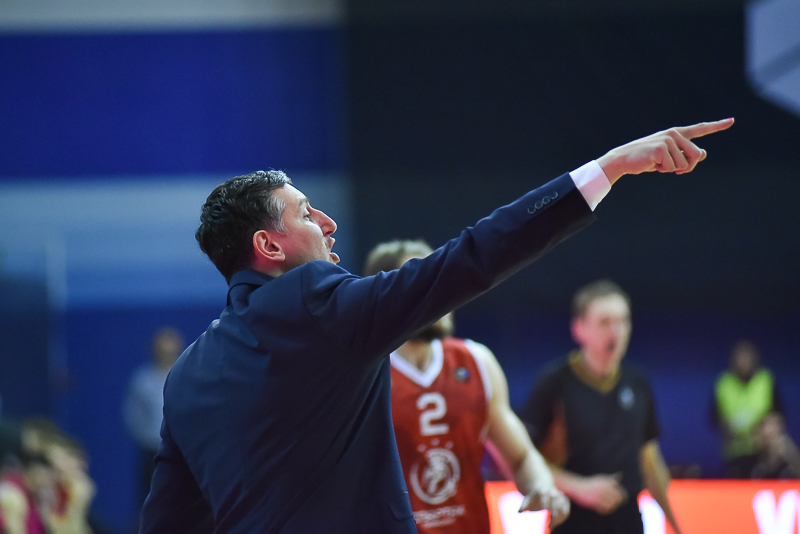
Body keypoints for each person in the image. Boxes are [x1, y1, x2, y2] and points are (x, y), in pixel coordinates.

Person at [139, 119, 733, 534]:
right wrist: (608, 169)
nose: (327, 222)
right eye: (305, 213)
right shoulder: (317, 305)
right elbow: (474, 255)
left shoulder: (186, 376)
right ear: (269, 245)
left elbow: (167, 524)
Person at [364, 240, 570, 533]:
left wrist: (541, 486)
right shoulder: (362, 374)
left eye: (441, 280)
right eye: (424, 283)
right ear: (388, 296)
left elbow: (521, 457)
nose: (441, 292)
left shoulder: (476, 361)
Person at [519, 280, 683, 534]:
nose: (616, 331)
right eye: (605, 322)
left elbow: (650, 460)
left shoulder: (638, 382)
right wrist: (579, 488)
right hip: (572, 519)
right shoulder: (555, 382)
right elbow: (523, 460)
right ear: (579, 329)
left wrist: (676, 526)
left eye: (623, 321)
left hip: (628, 520)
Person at [123, 327, 183, 511]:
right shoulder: (142, 380)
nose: (166, 354)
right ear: (154, 350)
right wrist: (150, 439)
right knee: (151, 502)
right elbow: (133, 417)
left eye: (170, 351)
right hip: (153, 452)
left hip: (184, 450)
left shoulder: (188, 375)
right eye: (162, 350)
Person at [710, 339, 783, 478]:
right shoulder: (724, 383)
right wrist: (726, 427)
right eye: (740, 359)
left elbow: (779, 414)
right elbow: (714, 418)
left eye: (747, 358)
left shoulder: (765, 379)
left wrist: (765, 428)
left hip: (762, 448)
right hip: (735, 449)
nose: (743, 363)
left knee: (784, 448)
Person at [749, 412, 800, 479]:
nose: (767, 431)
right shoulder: (750, 464)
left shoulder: (790, 465)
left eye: (773, 427)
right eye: (763, 426)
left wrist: (791, 455)